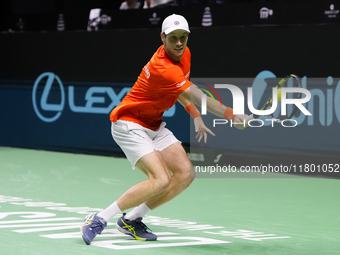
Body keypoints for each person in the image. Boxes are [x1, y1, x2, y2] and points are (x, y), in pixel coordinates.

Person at [80, 14, 247, 244]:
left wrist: (196, 116)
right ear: (162, 37)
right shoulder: (162, 66)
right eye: (173, 38)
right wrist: (230, 114)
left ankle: (132, 219)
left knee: (185, 173)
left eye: (183, 37)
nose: (179, 43)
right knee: (160, 179)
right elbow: (196, 94)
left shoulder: (184, 55)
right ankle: (99, 218)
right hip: (129, 123)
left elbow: (178, 91)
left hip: (153, 125)